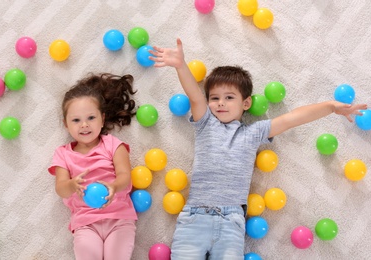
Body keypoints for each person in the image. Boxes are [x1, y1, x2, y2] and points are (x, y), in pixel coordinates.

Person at [149, 39, 368, 259]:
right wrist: (180, 65)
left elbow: (292, 119)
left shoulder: (254, 132)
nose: (220, 103)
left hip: (231, 222)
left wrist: (330, 107)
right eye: (214, 98)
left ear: (246, 103)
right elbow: (195, 97)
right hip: (195, 217)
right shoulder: (206, 123)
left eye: (229, 97)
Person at [48, 73, 138, 260]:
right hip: (86, 223)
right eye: (76, 120)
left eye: (91, 117)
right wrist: (72, 185)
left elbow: (125, 176)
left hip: (119, 219)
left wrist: (113, 186)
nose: (84, 125)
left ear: (102, 119)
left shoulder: (113, 145)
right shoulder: (63, 153)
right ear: (66, 124)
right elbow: (61, 189)